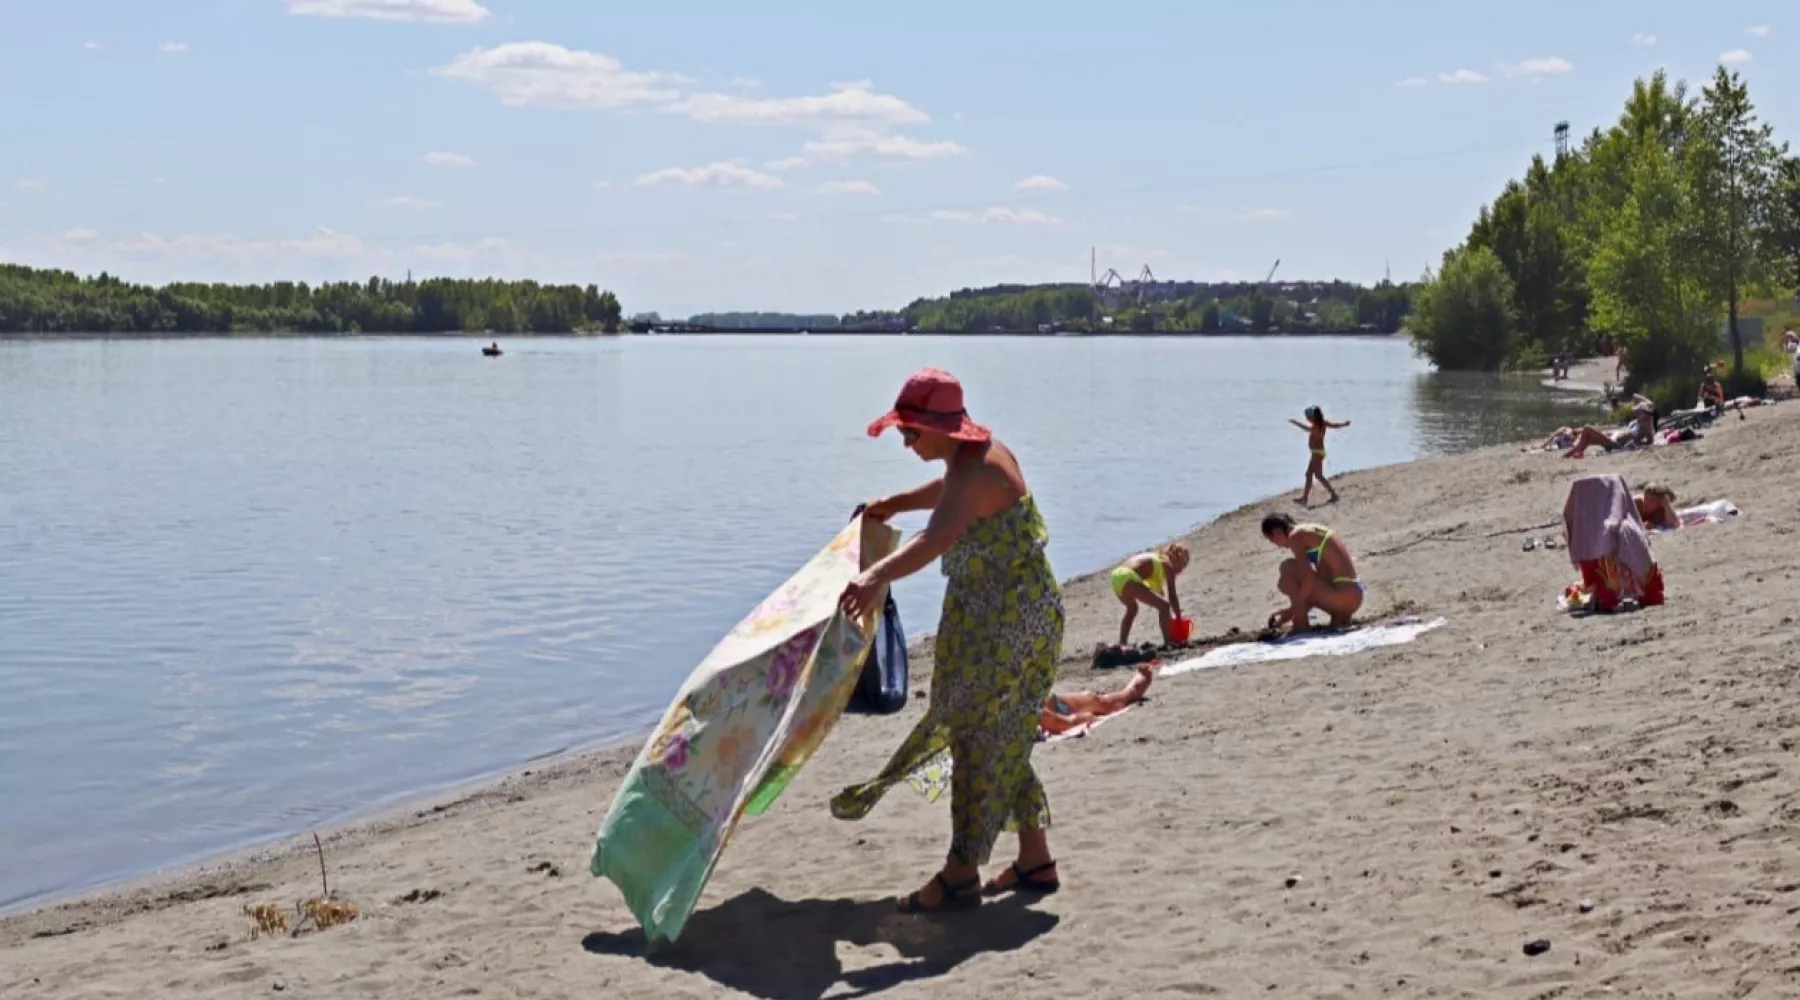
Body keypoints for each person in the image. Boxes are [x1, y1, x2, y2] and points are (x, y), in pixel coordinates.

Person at [834, 367, 1065, 912]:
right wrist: (893, 502)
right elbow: (944, 496)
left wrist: (874, 577)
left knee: (976, 739)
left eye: (911, 433)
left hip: (1008, 625)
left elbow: (938, 535)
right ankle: (1035, 858)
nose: (906, 442)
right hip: (1009, 615)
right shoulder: (973, 458)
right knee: (998, 734)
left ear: (941, 428)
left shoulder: (977, 469)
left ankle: (961, 872)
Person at [1259, 513, 1364, 632]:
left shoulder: (1295, 537)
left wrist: (1294, 610)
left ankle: (1302, 624)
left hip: (1343, 596)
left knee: (1288, 571)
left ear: (1277, 531)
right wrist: (1290, 614)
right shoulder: (1307, 530)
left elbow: (1309, 580)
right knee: (1298, 579)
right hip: (1352, 596)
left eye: (1272, 539)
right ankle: (1339, 618)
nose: (1277, 545)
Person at [1038, 664, 1155, 738]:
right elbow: (1067, 722)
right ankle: (1129, 693)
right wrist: (1085, 717)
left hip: (1051, 707)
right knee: (1099, 703)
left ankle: (1128, 694)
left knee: (1098, 702)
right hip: (1053, 710)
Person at [1108, 543, 1189, 646]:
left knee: (1132, 609)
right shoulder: (1168, 565)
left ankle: (1122, 643)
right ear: (1176, 558)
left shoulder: (1156, 559)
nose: (1182, 570)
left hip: (1116, 577)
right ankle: (1169, 642)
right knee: (1164, 606)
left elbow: (1156, 593)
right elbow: (1172, 595)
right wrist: (1178, 619)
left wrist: (1169, 617)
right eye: (1183, 564)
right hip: (1128, 576)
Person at [1289, 406, 1350, 505]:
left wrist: (1295, 423)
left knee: (1316, 475)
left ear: (1313, 417)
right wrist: (1344, 424)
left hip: (1317, 453)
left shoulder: (1316, 427)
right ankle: (1306, 498)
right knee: (1312, 475)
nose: (1307, 419)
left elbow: (1306, 428)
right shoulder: (1323, 423)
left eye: (1308, 417)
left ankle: (1332, 495)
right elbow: (1335, 425)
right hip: (1318, 452)